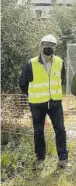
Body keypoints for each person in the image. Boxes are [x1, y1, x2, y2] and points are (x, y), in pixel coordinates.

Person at [19, 35, 68, 169]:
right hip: (37, 104)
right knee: (38, 131)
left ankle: (63, 158)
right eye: (46, 44)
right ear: (41, 46)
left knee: (60, 129)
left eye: (52, 45)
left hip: (55, 103)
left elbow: (61, 80)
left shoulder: (60, 62)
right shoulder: (31, 63)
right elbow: (22, 83)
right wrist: (33, 95)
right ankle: (40, 160)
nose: (49, 47)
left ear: (55, 48)